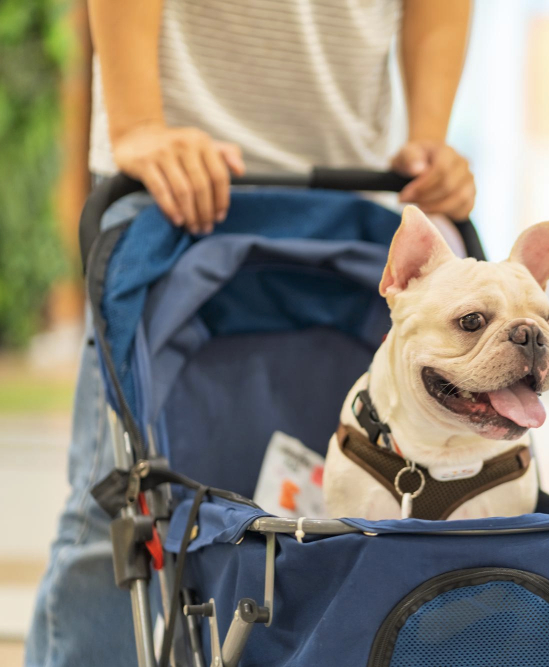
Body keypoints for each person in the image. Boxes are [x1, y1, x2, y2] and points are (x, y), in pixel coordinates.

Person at [25, 1, 474, 664]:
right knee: (120, 507)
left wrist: (429, 142)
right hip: (174, 189)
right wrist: (136, 122)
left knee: (346, 518)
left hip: (358, 199)